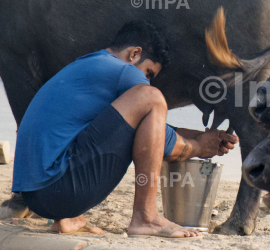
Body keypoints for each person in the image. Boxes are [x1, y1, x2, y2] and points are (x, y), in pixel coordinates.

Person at [11, 20, 238, 239]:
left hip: (37, 196)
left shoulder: (90, 64)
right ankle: (145, 217)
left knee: (148, 104)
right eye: (148, 73)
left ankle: (69, 218)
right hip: (60, 187)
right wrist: (199, 146)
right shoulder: (123, 71)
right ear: (134, 54)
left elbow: (149, 130)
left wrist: (199, 135)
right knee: (152, 98)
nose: (145, 80)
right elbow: (160, 139)